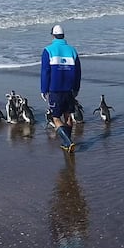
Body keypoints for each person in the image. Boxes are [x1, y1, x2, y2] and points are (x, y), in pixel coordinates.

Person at [40, 24, 81, 153]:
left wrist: (43, 89)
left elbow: (45, 72)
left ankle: (68, 142)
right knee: (68, 117)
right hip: (69, 90)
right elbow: (78, 72)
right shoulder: (72, 50)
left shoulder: (48, 50)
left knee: (56, 118)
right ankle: (66, 143)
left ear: (53, 35)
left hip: (55, 90)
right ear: (63, 35)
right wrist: (76, 88)